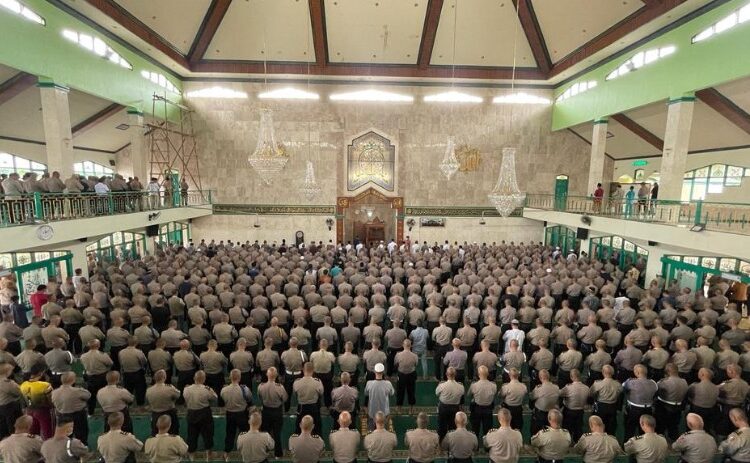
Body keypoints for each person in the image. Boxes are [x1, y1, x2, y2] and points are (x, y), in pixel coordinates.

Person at [183, 370, 217, 460]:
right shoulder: (206, 389)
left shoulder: (186, 389)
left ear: (194, 378)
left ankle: (191, 454)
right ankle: (208, 453)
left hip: (191, 413)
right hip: (204, 414)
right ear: (204, 379)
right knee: (207, 434)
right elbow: (215, 398)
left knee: (192, 434)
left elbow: (185, 399)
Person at [50, 371, 90, 444]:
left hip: (62, 415)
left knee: (65, 436)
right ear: (73, 380)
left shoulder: (54, 392)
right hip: (78, 415)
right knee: (81, 435)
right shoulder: (77, 391)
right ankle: (81, 450)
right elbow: (88, 395)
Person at [257, 367, 287, 458]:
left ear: (267, 375)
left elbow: (259, 397)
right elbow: (285, 399)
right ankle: (278, 454)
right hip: (277, 412)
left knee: (265, 433)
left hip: (266, 411)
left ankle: (264, 452)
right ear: (276, 375)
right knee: (277, 434)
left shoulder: (261, 386)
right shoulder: (280, 387)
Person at [19, 363, 53, 439]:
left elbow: (23, 401)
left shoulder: (23, 385)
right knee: (47, 433)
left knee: (32, 433)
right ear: (41, 373)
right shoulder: (45, 385)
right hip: (43, 411)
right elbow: (51, 400)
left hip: (30, 411)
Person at [145, 369, 180, 436]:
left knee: (156, 432)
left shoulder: (149, 390)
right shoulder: (169, 388)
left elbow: (148, 399)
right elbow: (178, 395)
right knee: (173, 431)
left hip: (156, 414)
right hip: (170, 413)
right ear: (164, 377)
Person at [436, 367, 466, 441]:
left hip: (443, 408)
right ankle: (452, 443)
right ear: (455, 375)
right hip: (455, 408)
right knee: (452, 427)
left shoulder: (442, 385)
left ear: (446, 374)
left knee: (442, 427)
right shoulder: (461, 386)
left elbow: (436, 393)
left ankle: (440, 445)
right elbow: (462, 394)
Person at [468, 364, 497, 440]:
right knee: (487, 431)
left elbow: (469, 394)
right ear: (487, 374)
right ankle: (487, 448)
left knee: (475, 429)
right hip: (488, 409)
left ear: (478, 374)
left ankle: (475, 446)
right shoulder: (493, 386)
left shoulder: (474, 385)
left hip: (477, 409)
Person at [364, 362, 395, 430]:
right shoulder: (388, 384)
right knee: (384, 429)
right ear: (383, 372)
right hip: (384, 412)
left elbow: (366, 393)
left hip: (372, 412)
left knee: (371, 430)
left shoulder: (369, 383)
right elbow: (392, 393)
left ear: (375, 371)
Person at [0, 364, 23, 440]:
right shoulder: (7, 382)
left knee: (3, 427)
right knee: (12, 426)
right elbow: (19, 392)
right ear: (7, 372)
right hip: (8, 406)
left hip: (1, 406)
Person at [394, 338, 418, 407]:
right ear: (411, 346)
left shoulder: (398, 355)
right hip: (411, 375)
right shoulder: (414, 355)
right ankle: (411, 408)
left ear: (403, 345)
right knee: (411, 391)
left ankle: (399, 407)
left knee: (400, 391)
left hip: (401, 375)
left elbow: (396, 363)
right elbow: (416, 364)